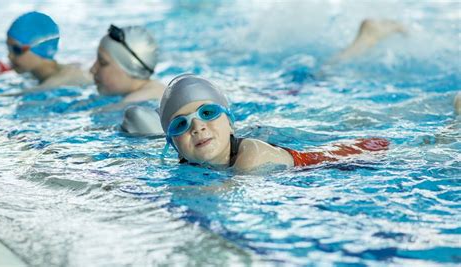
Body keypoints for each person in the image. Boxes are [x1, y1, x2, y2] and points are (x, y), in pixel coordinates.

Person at [159, 74, 389, 173]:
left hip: (350, 155)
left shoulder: (251, 155)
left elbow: (228, 194)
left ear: (230, 123)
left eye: (208, 112)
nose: (197, 127)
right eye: (180, 125)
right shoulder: (189, 165)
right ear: (172, 144)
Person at [90, 24, 165, 135]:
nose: (92, 69)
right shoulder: (159, 89)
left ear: (130, 67)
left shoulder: (132, 103)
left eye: (102, 62)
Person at [6, 11, 91, 90]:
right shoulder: (33, 77)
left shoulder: (58, 83)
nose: (9, 56)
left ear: (40, 48)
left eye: (16, 50)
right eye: (8, 48)